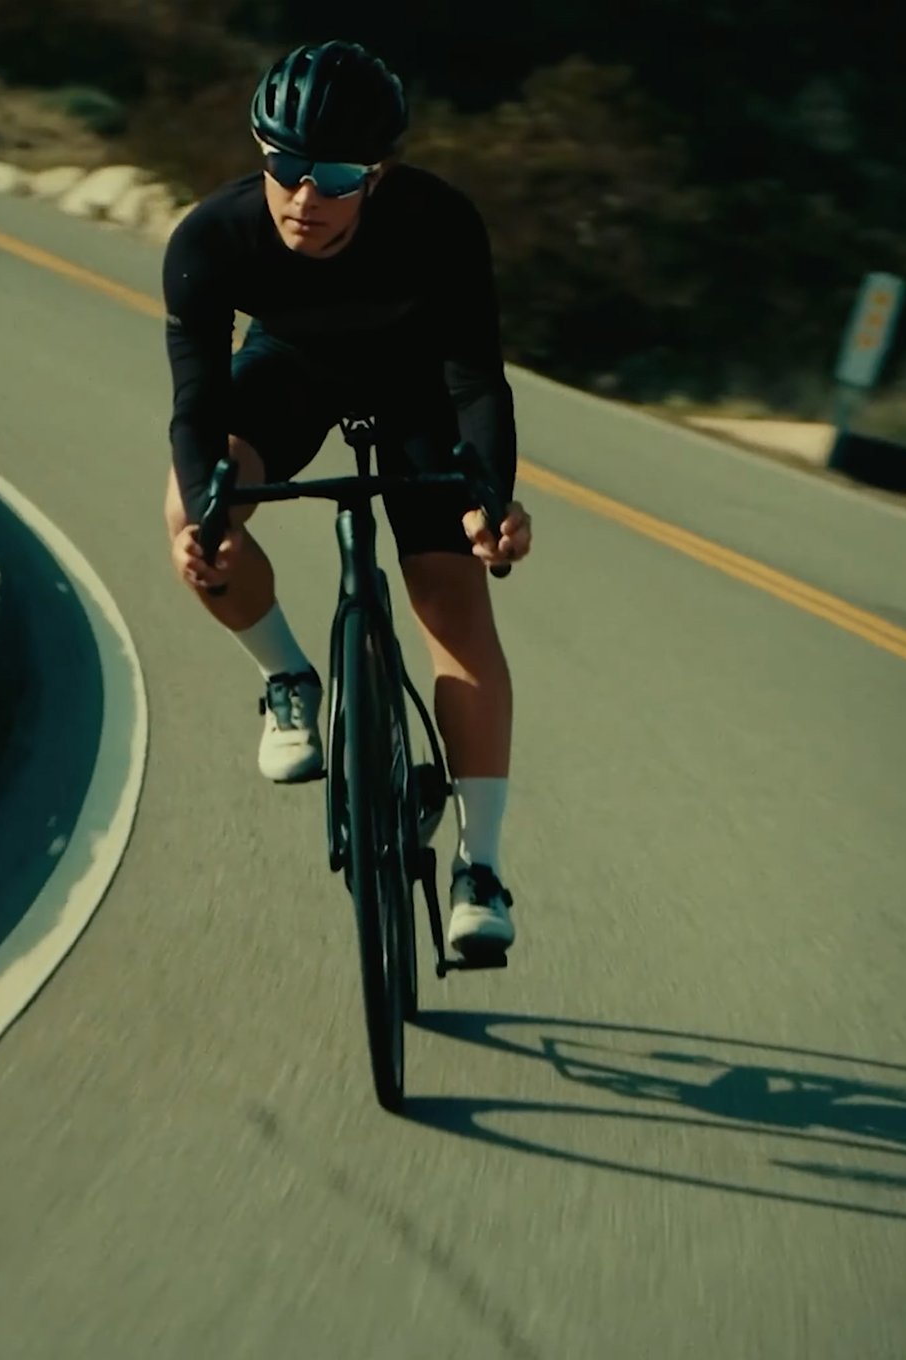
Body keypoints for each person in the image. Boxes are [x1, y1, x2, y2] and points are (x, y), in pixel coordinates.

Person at [159, 39, 533, 957]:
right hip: (288, 377)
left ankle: (478, 869)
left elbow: (478, 379)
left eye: (334, 175)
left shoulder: (440, 222)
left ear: (380, 171)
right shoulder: (210, 238)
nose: (305, 198)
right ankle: (289, 678)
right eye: (284, 166)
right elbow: (197, 408)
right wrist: (208, 519)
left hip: (414, 389)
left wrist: (491, 497)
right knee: (188, 511)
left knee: (454, 605)